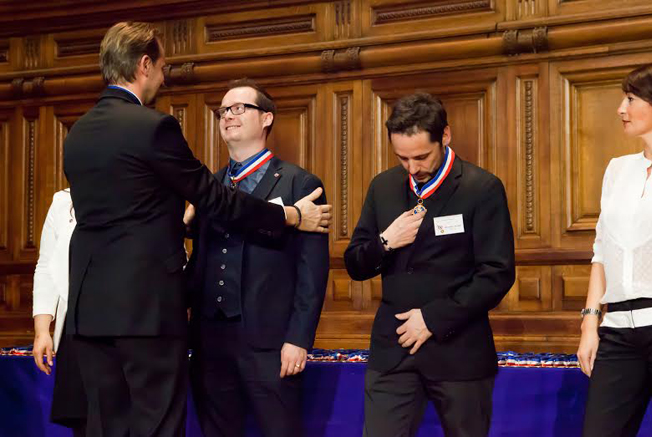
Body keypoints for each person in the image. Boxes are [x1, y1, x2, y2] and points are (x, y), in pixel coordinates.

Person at [63, 22, 331, 436]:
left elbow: (124, 208)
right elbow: (214, 198)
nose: (164, 77)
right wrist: (292, 217)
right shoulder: (152, 126)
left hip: (91, 310)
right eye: (163, 67)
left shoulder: (77, 133)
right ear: (145, 64)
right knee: (156, 424)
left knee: (107, 426)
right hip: (147, 310)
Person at [344, 92, 515, 437]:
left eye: (421, 157)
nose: (412, 168)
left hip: (458, 352)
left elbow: (496, 274)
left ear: (445, 136)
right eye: (402, 158)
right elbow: (356, 264)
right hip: (393, 353)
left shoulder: (481, 188)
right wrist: (386, 241)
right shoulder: (383, 187)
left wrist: (433, 319)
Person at [185, 78, 330, 437]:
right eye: (222, 111)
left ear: (266, 118)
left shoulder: (299, 183)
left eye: (238, 108)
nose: (228, 116)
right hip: (211, 340)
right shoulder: (210, 188)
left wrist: (298, 339)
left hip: (270, 342)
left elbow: (312, 270)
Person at [578, 64, 652, 437]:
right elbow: (601, 251)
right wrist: (590, 322)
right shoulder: (617, 169)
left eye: (631, 99)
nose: (620, 109)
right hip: (618, 331)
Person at [31, 189, 86, 436]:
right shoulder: (63, 201)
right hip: (75, 324)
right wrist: (42, 330)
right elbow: (47, 265)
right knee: (82, 419)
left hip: (124, 324)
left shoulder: (137, 189)